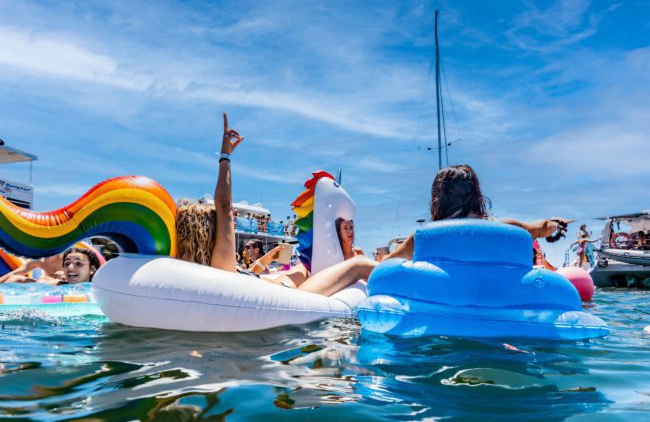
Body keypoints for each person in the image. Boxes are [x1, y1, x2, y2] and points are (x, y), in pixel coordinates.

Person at [175, 112, 375, 296]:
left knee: (309, 265)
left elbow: (252, 267)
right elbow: (225, 206)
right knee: (360, 264)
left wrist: (270, 257)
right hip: (293, 294)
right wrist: (225, 156)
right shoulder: (220, 260)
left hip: (288, 283)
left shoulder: (213, 267)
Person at [384, 164, 571, 262]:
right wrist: (556, 223)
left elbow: (387, 263)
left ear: (437, 199)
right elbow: (540, 228)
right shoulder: (503, 227)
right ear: (476, 194)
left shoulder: (424, 238)